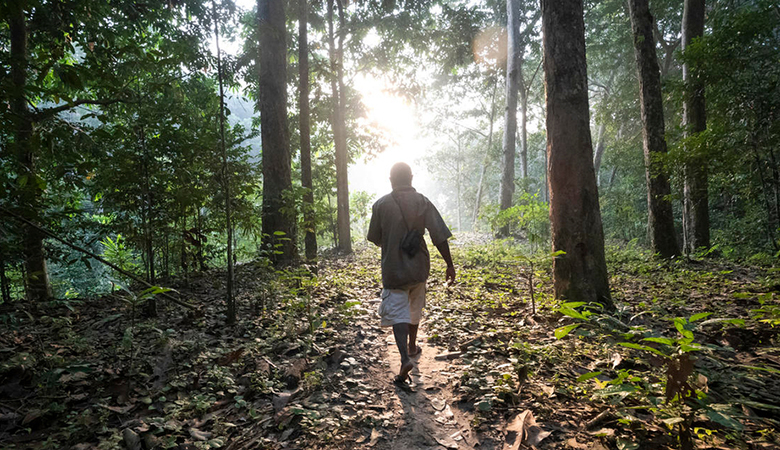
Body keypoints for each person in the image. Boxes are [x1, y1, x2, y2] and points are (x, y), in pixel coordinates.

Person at [367, 162, 456, 386]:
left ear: (390, 180)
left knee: (398, 313)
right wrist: (449, 265)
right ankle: (413, 345)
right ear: (411, 178)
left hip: (393, 268)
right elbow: (439, 236)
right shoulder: (422, 202)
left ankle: (405, 358)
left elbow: (375, 238)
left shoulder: (381, 205)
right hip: (419, 267)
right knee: (414, 308)